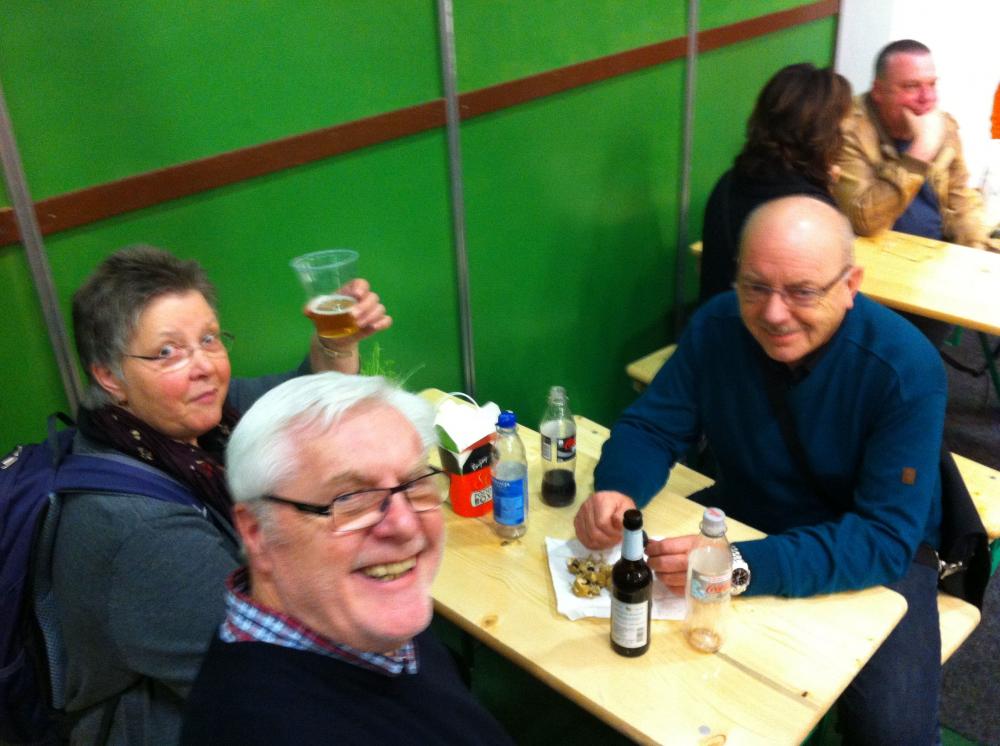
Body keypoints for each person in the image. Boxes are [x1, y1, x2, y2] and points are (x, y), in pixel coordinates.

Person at [576, 196, 946, 745]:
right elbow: (653, 426)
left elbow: (885, 539)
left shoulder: (905, 367)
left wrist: (738, 566)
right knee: (638, 655)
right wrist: (618, 489)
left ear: (850, 285)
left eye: (802, 291)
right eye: (755, 286)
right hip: (748, 511)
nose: (773, 314)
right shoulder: (717, 325)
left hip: (873, 543)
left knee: (892, 733)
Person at [47, 245, 390, 744]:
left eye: (208, 339)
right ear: (108, 377)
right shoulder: (140, 531)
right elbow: (272, 683)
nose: (204, 366)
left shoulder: (196, 427)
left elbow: (301, 396)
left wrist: (335, 343)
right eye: (167, 352)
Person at [180, 373, 512, 745]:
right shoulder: (262, 726)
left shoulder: (356, 620)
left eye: (416, 482)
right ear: (257, 532)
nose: (404, 524)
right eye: (350, 498)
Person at [699, 63, 852, 303]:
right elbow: (818, 297)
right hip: (765, 323)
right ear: (826, 132)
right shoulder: (810, 210)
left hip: (719, 318)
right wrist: (826, 196)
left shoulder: (729, 181)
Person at [834, 39, 995, 250]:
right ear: (878, 91)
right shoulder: (849, 129)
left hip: (936, 254)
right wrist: (921, 151)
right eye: (911, 86)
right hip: (877, 256)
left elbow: (960, 201)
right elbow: (862, 222)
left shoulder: (943, 126)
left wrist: (977, 251)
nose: (927, 98)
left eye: (932, 84)